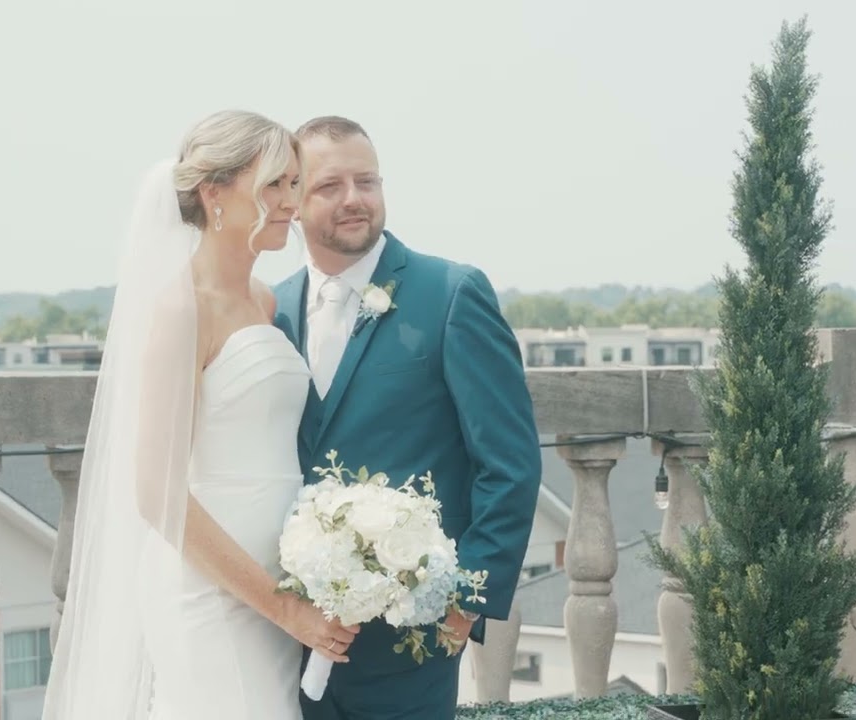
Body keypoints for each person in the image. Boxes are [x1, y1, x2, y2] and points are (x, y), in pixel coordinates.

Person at [42, 109, 358, 720]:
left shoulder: (265, 300)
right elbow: (157, 492)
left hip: (279, 578)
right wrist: (283, 608)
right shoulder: (179, 309)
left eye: (295, 183)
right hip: (211, 591)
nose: (292, 202)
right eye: (273, 184)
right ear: (215, 192)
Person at [272, 116, 542, 720]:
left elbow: (510, 462)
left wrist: (465, 600)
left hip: (409, 641)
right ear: (291, 200)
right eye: (329, 185)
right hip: (285, 636)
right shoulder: (271, 311)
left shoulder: (450, 293)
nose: (354, 199)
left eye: (367, 181)